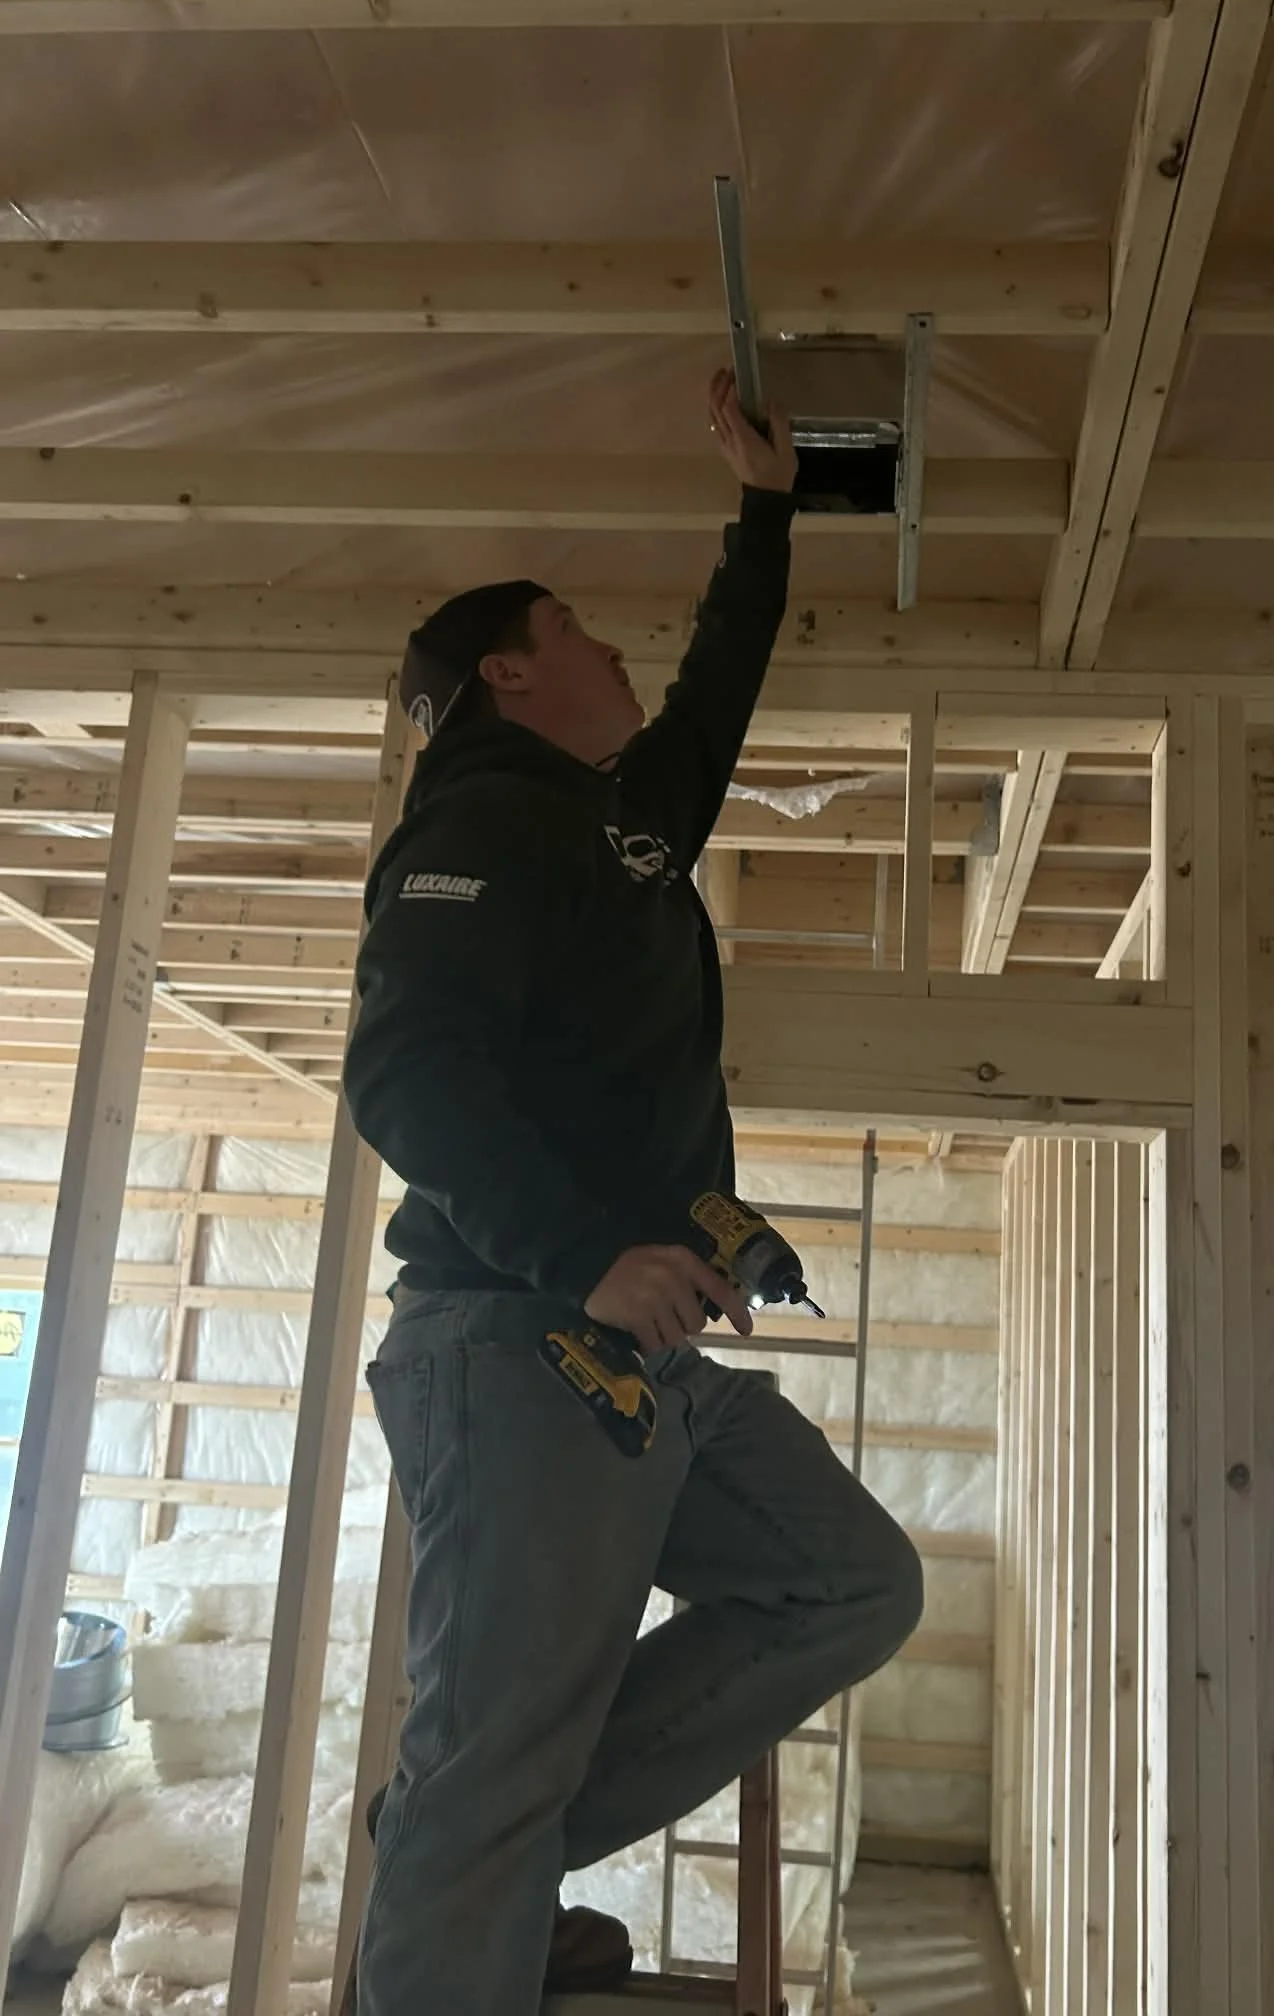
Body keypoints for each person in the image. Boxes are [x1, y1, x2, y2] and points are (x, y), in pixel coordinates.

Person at [341, 369, 924, 2015]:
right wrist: (596, 1250)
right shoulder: (479, 828)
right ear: (506, 673)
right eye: (583, 631)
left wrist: (767, 510)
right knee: (489, 1769)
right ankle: (476, 1855)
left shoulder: (616, 830)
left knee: (849, 1580)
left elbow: (713, 702)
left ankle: (478, 1842)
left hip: (630, 1353)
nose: (616, 653)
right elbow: (405, 1080)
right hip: (524, 1337)